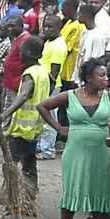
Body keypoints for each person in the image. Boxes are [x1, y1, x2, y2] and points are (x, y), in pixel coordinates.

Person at [38, 57, 110, 219]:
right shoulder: (71, 95)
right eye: (101, 75)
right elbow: (43, 106)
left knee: (99, 193)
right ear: (89, 78)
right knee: (71, 191)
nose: (106, 79)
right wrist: (58, 128)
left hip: (101, 152)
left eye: (106, 75)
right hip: (75, 151)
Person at [1, 36, 49, 193]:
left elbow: (23, 96)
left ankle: (12, 197)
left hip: (22, 128)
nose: (19, 55)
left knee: (11, 163)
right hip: (35, 127)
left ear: (27, 54)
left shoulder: (29, 74)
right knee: (29, 162)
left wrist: (5, 114)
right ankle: (31, 193)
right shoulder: (42, 71)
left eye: (21, 52)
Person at [37, 16, 67, 160]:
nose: (47, 30)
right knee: (42, 117)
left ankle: (48, 150)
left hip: (51, 86)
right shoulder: (50, 41)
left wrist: (48, 89)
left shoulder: (58, 46)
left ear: (59, 28)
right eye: (45, 27)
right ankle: (41, 145)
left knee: (49, 118)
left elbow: (54, 72)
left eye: (50, 27)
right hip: (43, 84)